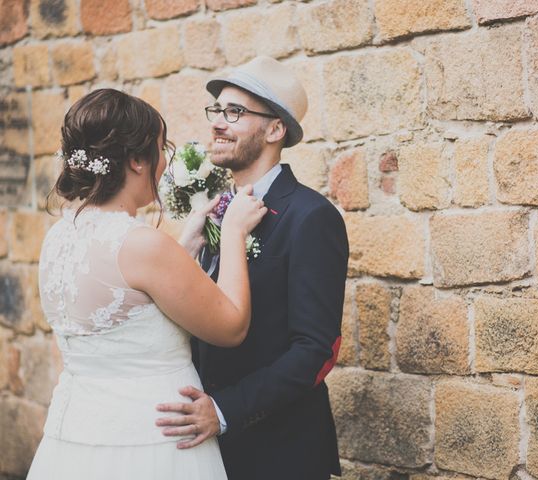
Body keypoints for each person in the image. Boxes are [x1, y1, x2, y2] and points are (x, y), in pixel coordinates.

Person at [27, 88, 266, 480]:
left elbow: (131, 300)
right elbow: (232, 325)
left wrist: (184, 244)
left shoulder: (59, 236)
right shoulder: (143, 245)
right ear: (137, 161)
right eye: (161, 148)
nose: (164, 161)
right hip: (154, 445)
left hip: (76, 441)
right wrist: (235, 232)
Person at [156, 56, 349, 479]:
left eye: (235, 112)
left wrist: (224, 411)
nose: (218, 123)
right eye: (217, 111)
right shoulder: (212, 213)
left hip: (278, 453)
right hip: (201, 451)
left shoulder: (311, 216)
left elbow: (315, 351)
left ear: (275, 129)